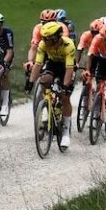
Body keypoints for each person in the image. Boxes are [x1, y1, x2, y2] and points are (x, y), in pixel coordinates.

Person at [30, 20, 77, 149]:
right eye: (43, 38)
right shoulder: (43, 44)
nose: (44, 41)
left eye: (48, 38)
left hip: (66, 66)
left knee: (65, 97)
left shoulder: (68, 45)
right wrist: (30, 82)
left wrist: (65, 86)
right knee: (44, 80)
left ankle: (66, 132)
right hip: (52, 64)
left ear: (56, 37)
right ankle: (47, 105)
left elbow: (69, 70)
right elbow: (38, 65)